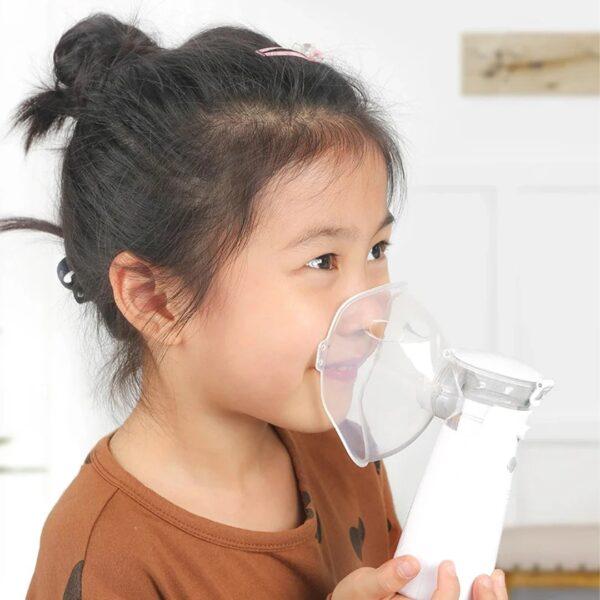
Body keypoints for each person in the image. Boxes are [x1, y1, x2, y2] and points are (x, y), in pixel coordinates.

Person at [1, 10, 507, 600]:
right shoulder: (106, 555)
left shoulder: (341, 446)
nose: (374, 314)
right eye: (322, 261)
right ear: (156, 299)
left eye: (377, 249)